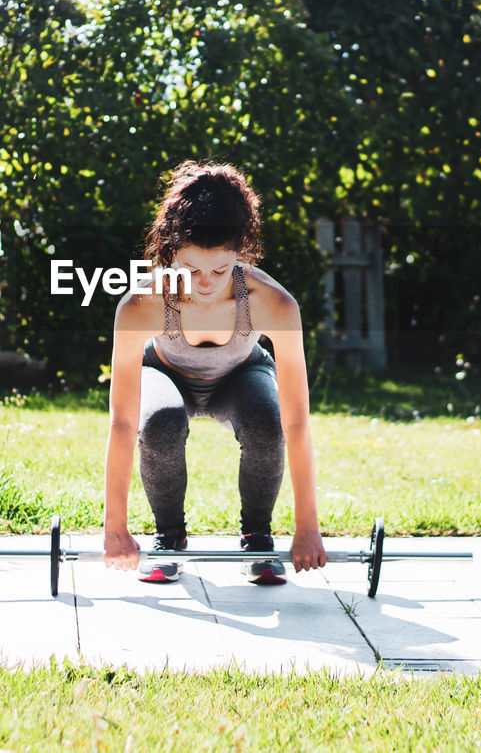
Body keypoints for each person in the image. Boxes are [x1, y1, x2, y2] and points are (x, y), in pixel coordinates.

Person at [103, 160, 327, 585]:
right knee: (160, 422)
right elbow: (122, 422)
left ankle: (258, 537)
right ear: (170, 251)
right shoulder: (141, 305)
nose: (205, 283)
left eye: (220, 270)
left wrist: (306, 527)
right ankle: (168, 538)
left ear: (240, 252)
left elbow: (296, 421)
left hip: (241, 376)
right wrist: (114, 527)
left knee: (268, 422)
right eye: (191, 270)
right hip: (165, 373)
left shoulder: (274, 303)